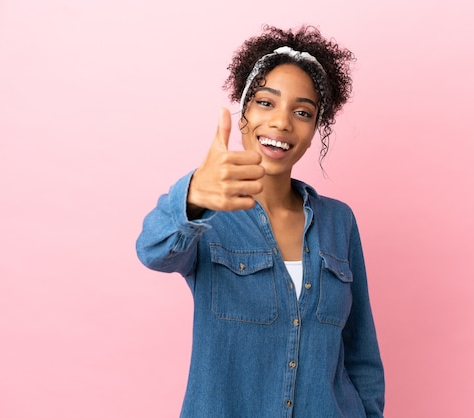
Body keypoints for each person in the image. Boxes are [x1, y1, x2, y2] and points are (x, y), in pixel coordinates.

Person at [136, 24, 385, 418]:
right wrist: (195, 195)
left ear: (315, 128)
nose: (282, 123)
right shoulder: (207, 216)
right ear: (245, 110)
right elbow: (152, 250)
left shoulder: (340, 222)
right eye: (266, 103)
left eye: (302, 112)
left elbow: (361, 355)